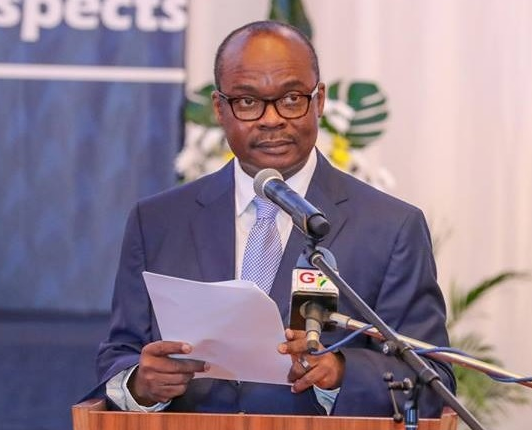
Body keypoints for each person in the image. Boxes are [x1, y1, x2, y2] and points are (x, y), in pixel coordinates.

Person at [93, 20, 455, 417]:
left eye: (291, 98)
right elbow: (120, 356)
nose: (271, 119)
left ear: (319, 101)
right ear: (220, 109)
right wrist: (141, 386)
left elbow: (430, 381)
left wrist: (339, 374)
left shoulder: (390, 227)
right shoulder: (158, 222)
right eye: (248, 102)